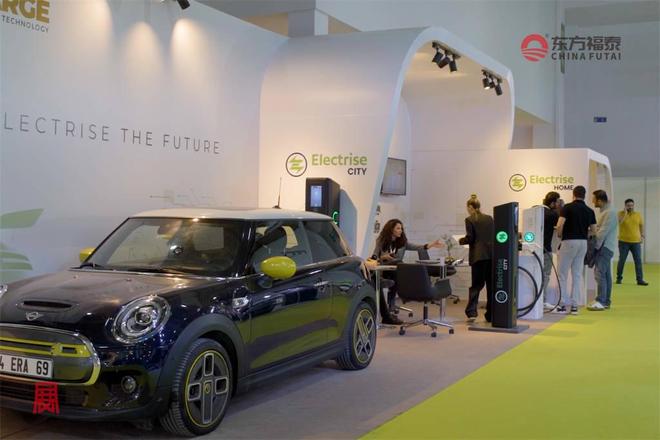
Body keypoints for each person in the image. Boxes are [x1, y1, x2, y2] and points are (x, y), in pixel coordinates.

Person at [371, 219, 443, 324]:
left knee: (398, 269)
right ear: (391, 229)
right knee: (399, 268)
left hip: (396, 270)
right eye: (398, 228)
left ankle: (391, 307)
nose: (401, 230)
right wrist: (383, 257)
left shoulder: (402, 242)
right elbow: (374, 257)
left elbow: (417, 247)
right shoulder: (381, 241)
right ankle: (393, 305)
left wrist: (431, 245)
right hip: (384, 270)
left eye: (401, 228)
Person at [555, 186, 597, 315]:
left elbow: (560, 224)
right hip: (583, 243)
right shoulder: (590, 211)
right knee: (577, 274)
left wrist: (560, 234)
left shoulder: (567, 208)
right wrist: (583, 233)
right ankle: (574, 306)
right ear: (584, 195)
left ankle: (562, 305)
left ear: (573, 195)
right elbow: (594, 231)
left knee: (562, 274)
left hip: (569, 241)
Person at [458, 195, 494, 322]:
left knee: (476, 285)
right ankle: (491, 314)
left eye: (467, 208)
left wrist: (461, 240)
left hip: (478, 257)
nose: (467, 210)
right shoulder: (489, 218)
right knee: (491, 285)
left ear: (470, 207)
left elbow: (470, 238)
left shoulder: (469, 219)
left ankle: (472, 312)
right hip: (491, 256)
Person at [588, 190, 618, 311]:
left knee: (599, 273)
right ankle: (605, 301)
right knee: (605, 274)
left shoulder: (609, 213)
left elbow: (602, 232)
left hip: (604, 247)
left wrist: (594, 247)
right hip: (605, 247)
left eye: (594, 200)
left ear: (600, 201)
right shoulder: (607, 212)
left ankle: (601, 300)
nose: (593, 202)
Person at [616, 198, 648, 286]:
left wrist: (642, 235)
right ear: (625, 206)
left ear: (633, 205)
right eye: (628, 205)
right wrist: (625, 213)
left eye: (632, 205)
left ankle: (640, 279)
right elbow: (619, 222)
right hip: (623, 242)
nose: (630, 207)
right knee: (622, 260)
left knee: (638, 261)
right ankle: (619, 278)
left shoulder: (638, 214)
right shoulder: (620, 214)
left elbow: (641, 225)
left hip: (636, 242)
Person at [541, 191, 560, 310]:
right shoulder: (552, 214)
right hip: (546, 249)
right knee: (545, 275)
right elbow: (560, 226)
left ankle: (537, 300)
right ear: (552, 203)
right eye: (557, 202)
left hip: (534, 250)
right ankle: (542, 300)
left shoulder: (536, 211)